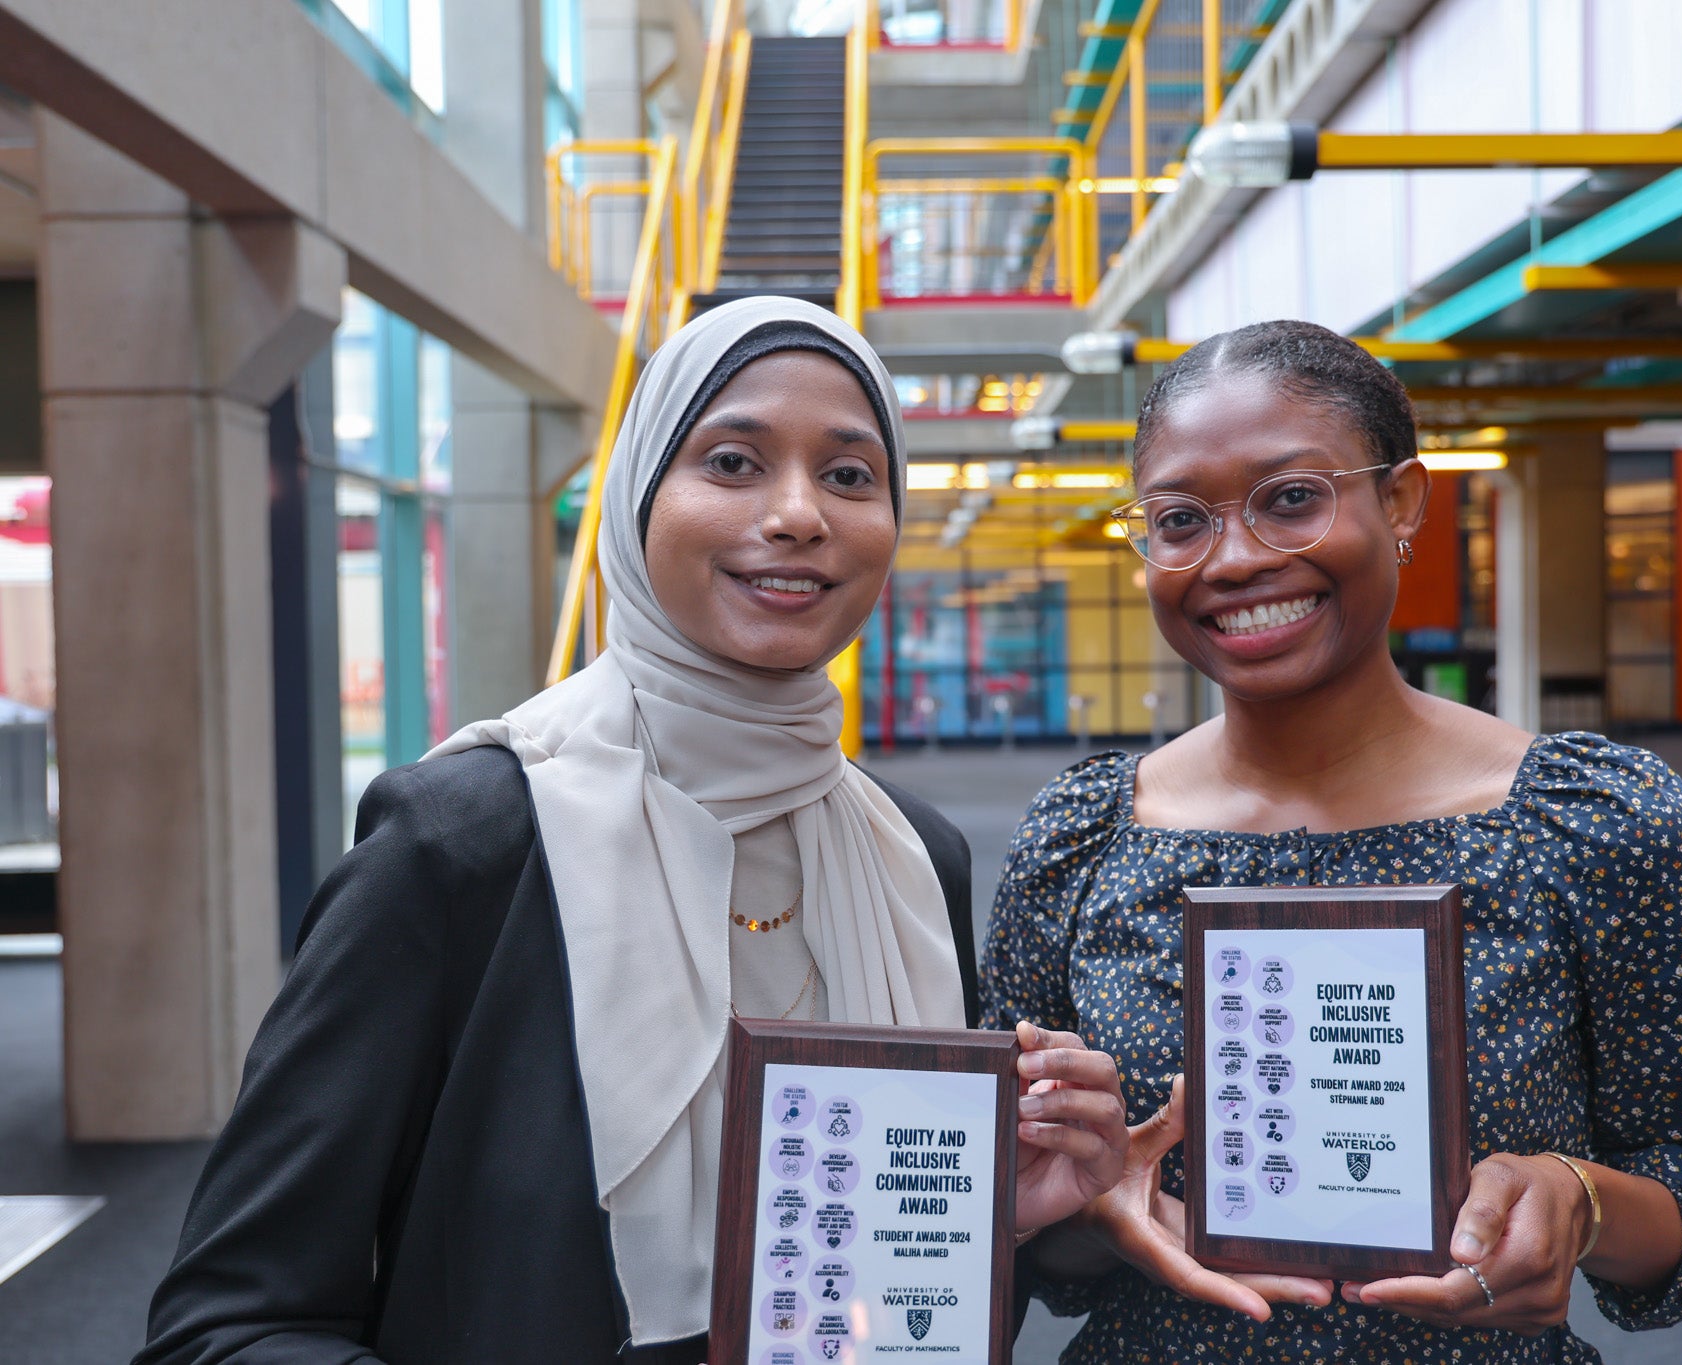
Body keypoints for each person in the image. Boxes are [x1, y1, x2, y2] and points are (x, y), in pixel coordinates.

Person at [137, 297, 1128, 1364]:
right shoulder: (463, 845)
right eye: (734, 462)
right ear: (638, 496)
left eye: (849, 475)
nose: (799, 515)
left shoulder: (912, 856)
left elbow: (900, 1299)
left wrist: (1016, 1217)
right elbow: (227, 1326)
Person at [980, 319, 1682, 1362]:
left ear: (1401, 500)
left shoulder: (1588, 822)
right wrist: (1082, 1213)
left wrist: (1580, 1202)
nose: (1234, 559)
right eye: (1181, 519)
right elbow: (1000, 1214)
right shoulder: (1083, 838)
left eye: (1291, 499)